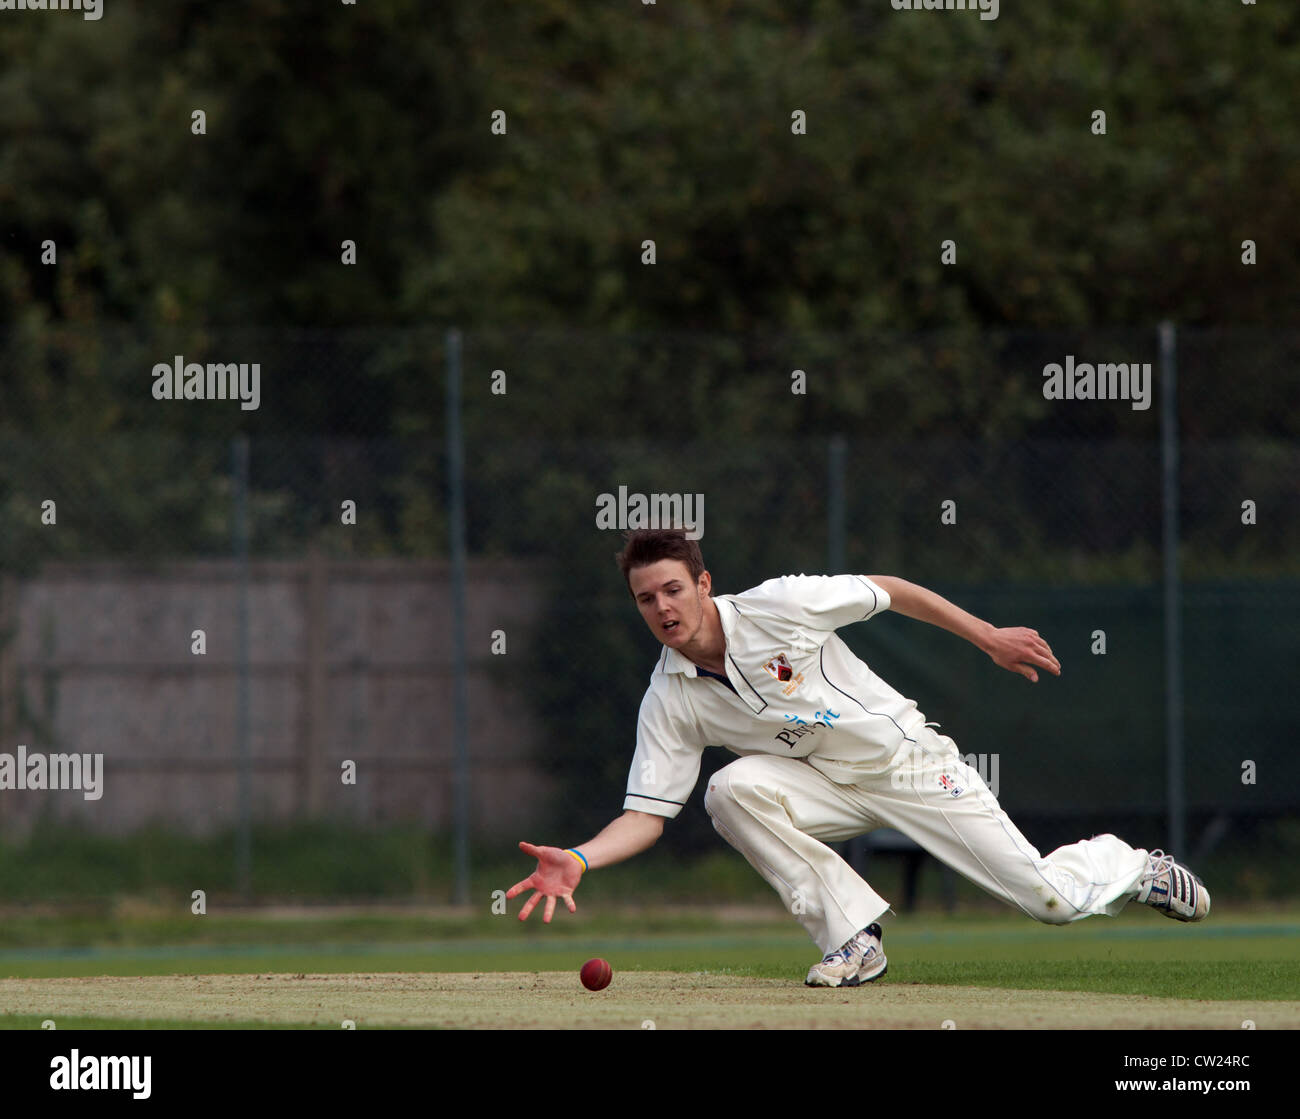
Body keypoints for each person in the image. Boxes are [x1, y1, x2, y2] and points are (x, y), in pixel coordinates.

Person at [508, 528, 1210, 987]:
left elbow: (893, 591)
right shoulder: (668, 696)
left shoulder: (780, 605)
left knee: (1049, 902)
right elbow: (646, 813)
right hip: (822, 786)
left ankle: (1131, 865)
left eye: (671, 589)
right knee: (729, 791)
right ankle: (853, 937)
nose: (662, 607)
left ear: (701, 583)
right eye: (645, 598)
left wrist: (987, 636)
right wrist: (580, 857)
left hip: (904, 761)